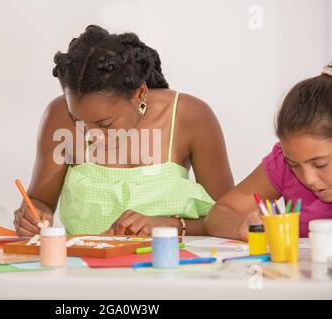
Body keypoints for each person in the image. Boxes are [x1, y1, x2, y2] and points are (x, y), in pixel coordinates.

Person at [14, 25, 233, 236]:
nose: (91, 135)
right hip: (82, 269)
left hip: (168, 267)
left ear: (139, 94)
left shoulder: (191, 116)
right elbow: (40, 201)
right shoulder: (59, 115)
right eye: (78, 120)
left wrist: (170, 226)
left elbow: (227, 216)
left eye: (105, 124)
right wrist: (32, 216)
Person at [204, 63, 332, 240]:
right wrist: (242, 225)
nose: (309, 179)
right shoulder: (282, 162)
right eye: (294, 165)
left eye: (320, 164)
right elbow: (217, 215)